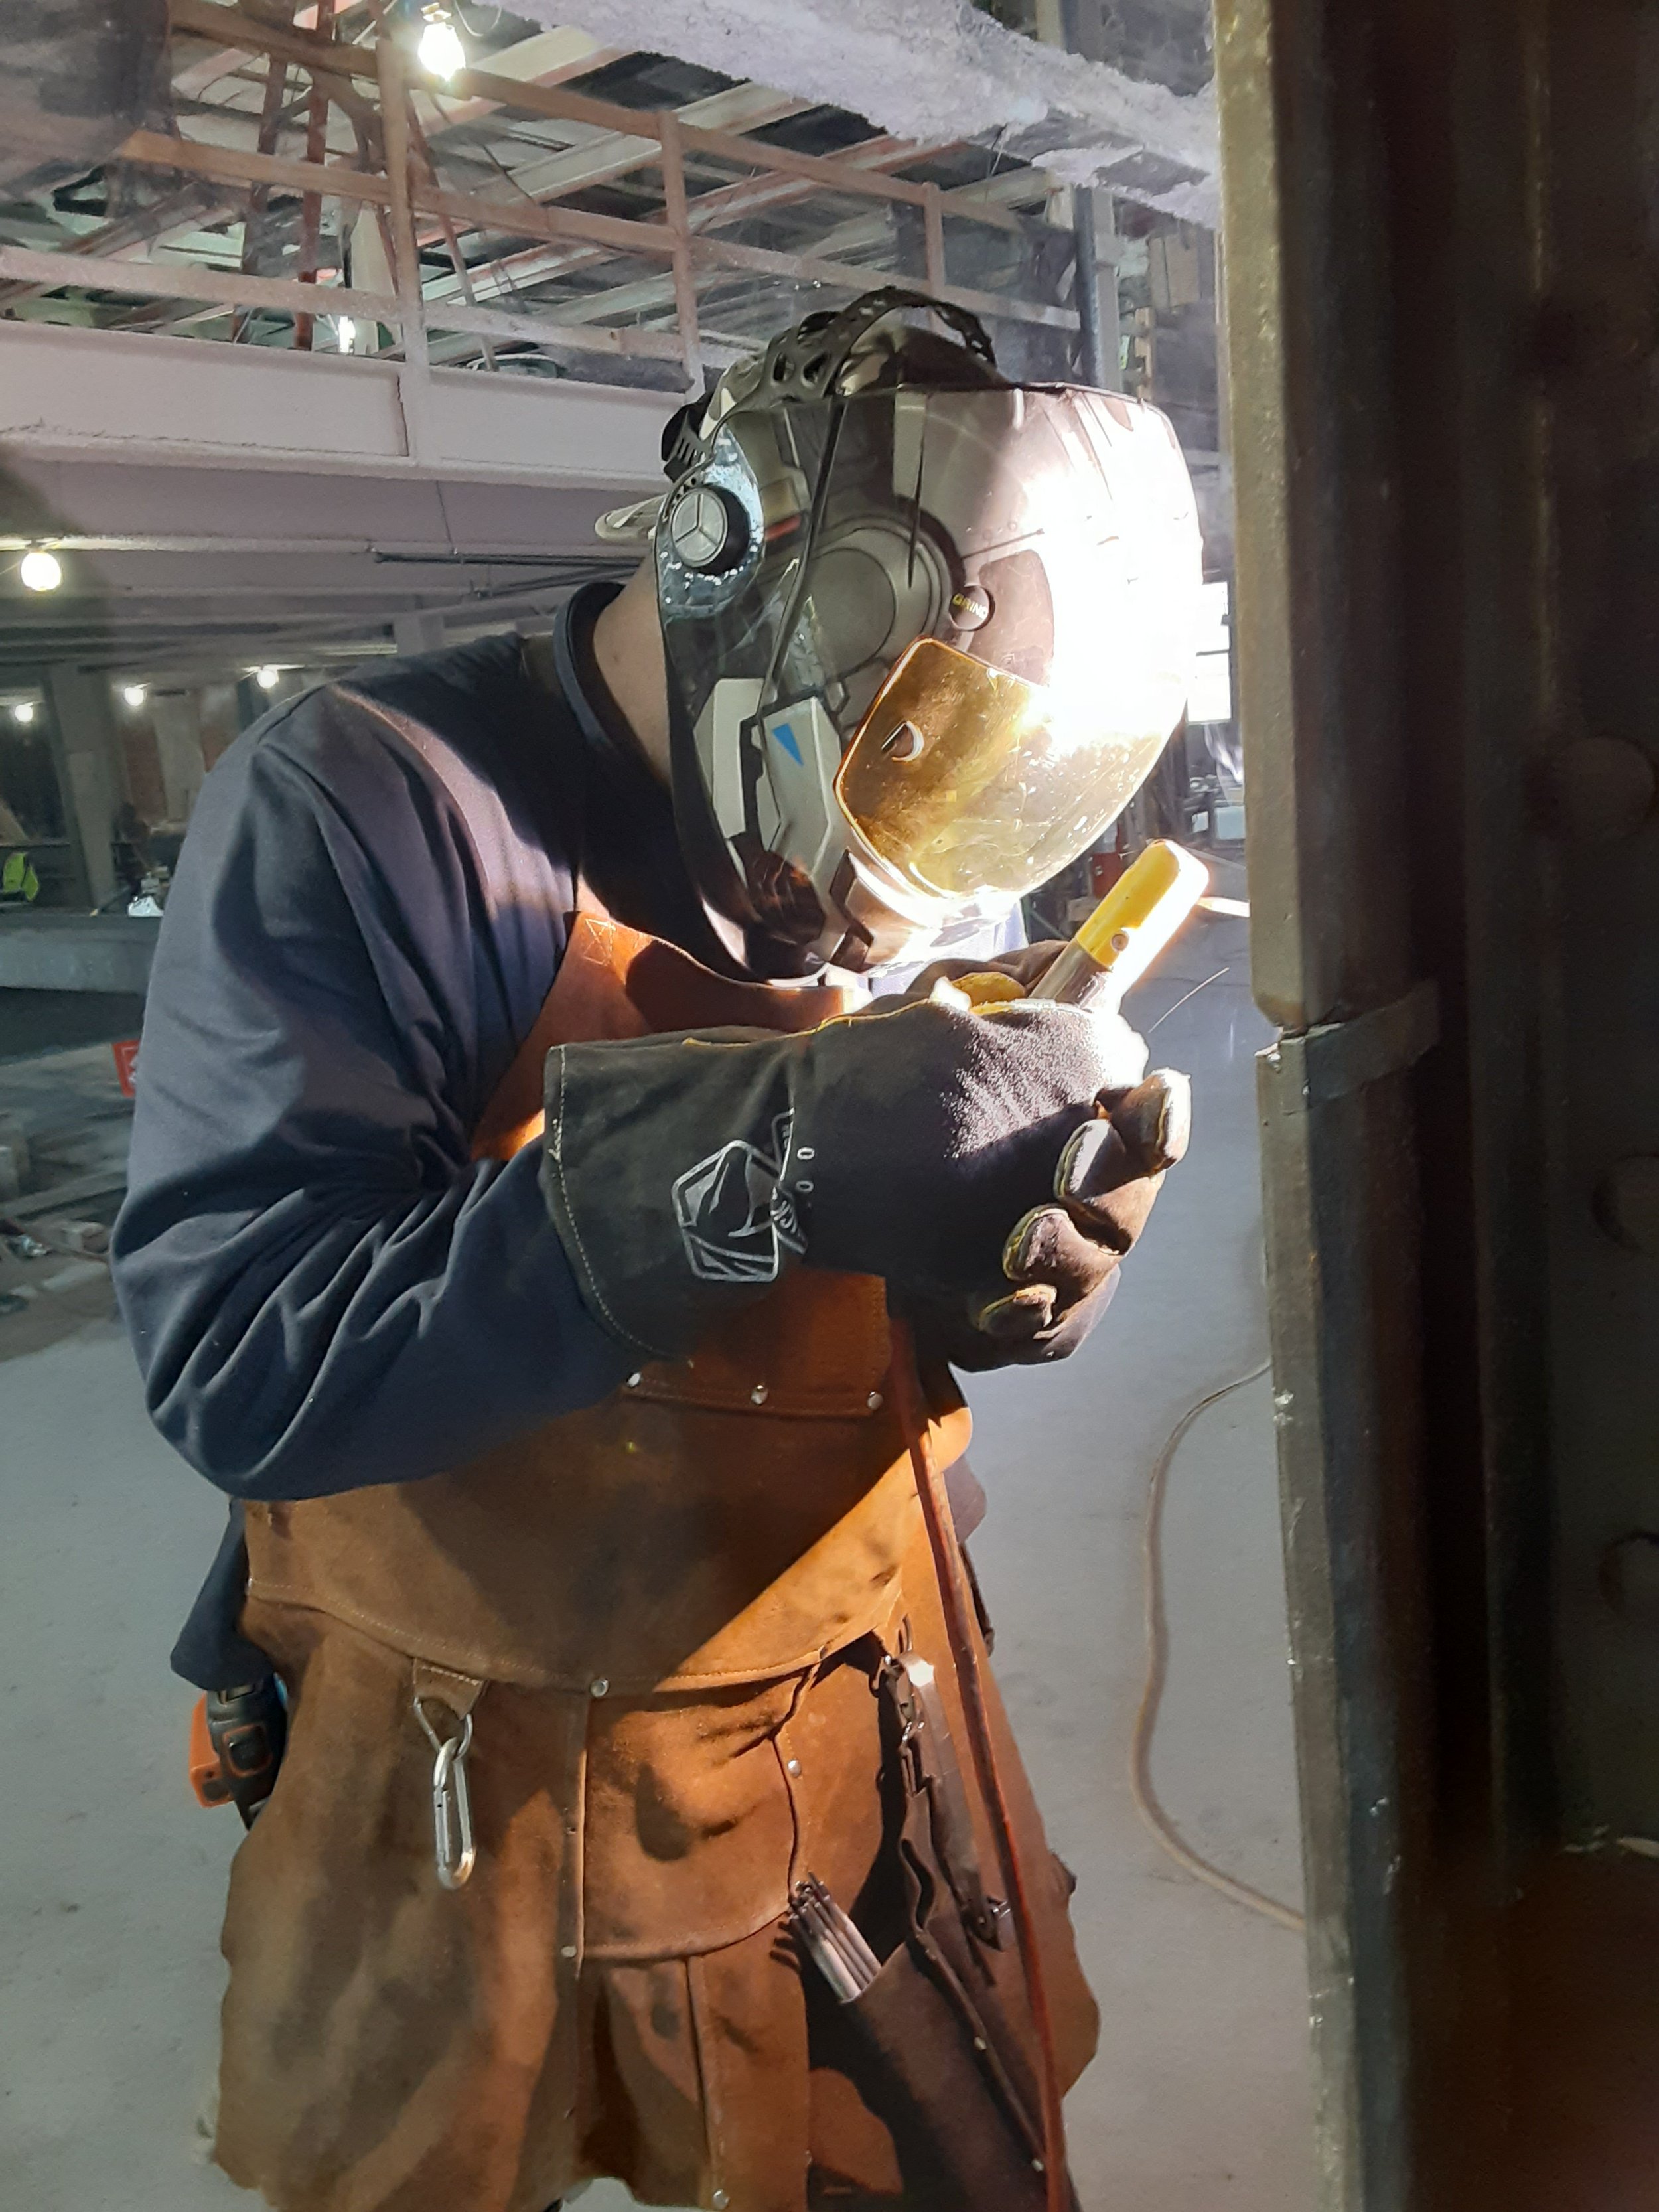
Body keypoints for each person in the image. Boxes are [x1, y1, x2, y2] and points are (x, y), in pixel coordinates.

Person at [112, 289, 1202, 2212]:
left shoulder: (878, 786)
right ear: (748, 585)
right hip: (468, 1778)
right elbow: (246, 1362)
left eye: (993, 791)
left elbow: (838, 1279)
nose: (937, 863)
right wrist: (765, 1147)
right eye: (927, 766)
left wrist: (985, 1255)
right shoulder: (373, 805)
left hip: (835, 1709)